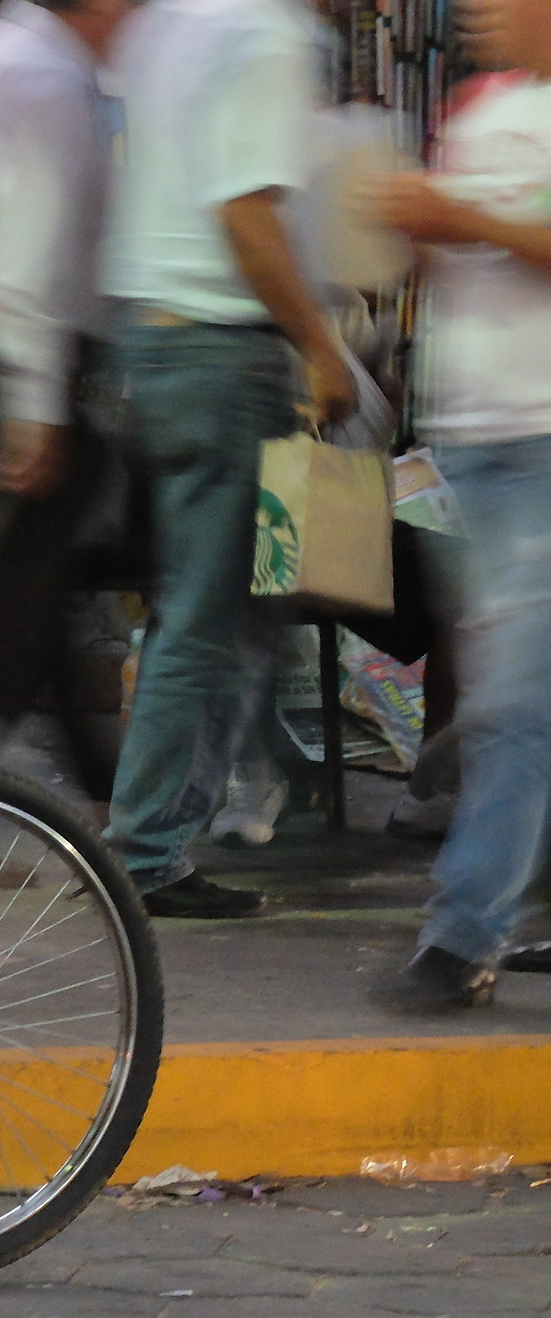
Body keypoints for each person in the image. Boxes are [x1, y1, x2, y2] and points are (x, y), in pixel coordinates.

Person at [94, 0, 356, 920]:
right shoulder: (266, 34)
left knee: (235, 608)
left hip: (161, 345)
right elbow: (245, 213)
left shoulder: (167, 24)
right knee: (217, 615)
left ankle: (179, 823)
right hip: (222, 352)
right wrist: (321, 347)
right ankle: (148, 851)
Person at [368, 0, 551, 1010]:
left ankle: (463, 930)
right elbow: (445, 268)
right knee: (510, 691)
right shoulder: (477, 105)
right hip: (470, 443)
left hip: (541, 446)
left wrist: (459, 216)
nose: (479, 10)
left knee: (513, 701)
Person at [0, 0, 132, 805]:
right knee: (13, 606)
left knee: (37, 589)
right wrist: (35, 407)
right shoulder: (45, 78)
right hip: (33, 362)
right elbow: (33, 260)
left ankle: (108, 791)